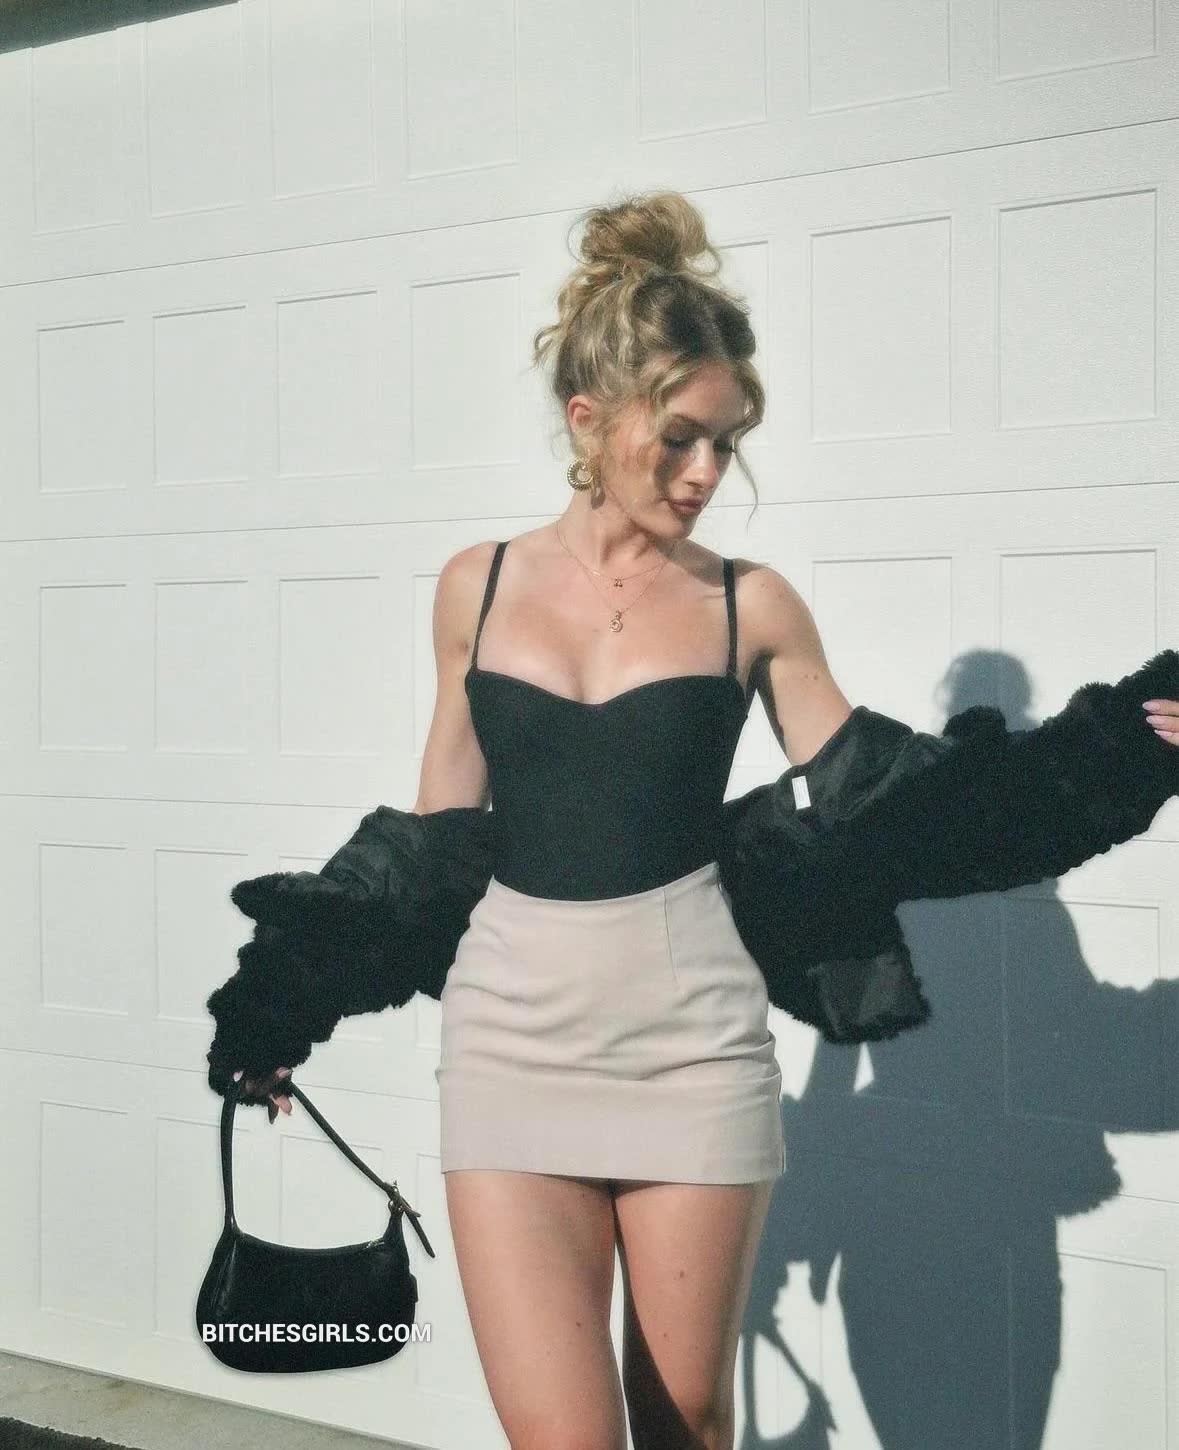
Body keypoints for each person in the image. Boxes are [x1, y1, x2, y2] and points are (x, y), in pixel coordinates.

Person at [230, 190, 1179, 1450]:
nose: (704, 475)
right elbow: (433, 838)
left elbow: (899, 806)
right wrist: (284, 1001)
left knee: (685, 1428)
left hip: (694, 1054)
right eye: (680, 438)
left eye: (726, 445)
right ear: (589, 418)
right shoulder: (478, 586)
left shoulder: (751, 604)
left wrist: (1115, 751)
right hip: (510, 1049)